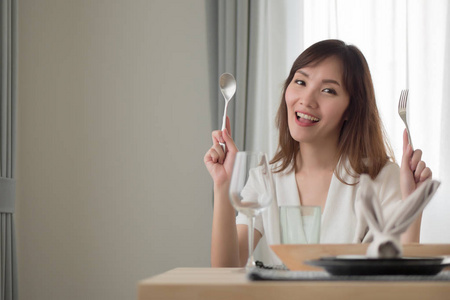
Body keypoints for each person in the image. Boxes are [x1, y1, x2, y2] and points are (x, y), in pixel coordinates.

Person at [204, 39, 432, 267]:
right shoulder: (265, 178)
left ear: (350, 110)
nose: (307, 100)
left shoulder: (381, 178)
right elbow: (225, 268)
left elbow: (400, 278)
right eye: (301, 82)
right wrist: (223, 184)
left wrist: (414, 205)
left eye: (328, 90)